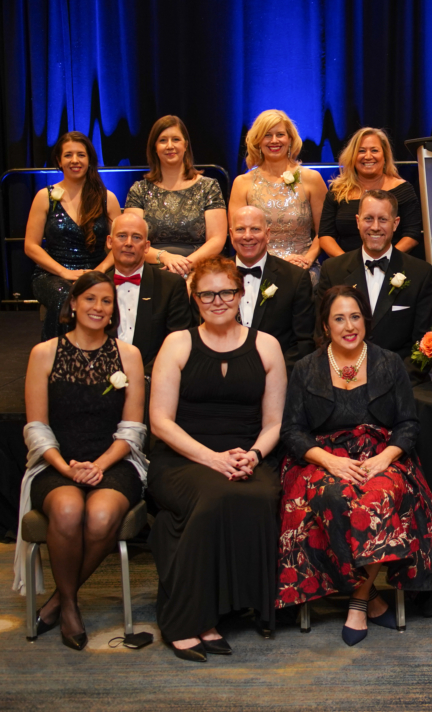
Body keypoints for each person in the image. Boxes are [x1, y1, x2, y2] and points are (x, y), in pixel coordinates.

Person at [277, 285, 432, 645]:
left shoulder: (388, 362)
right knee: (333, 497)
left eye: (355, 317)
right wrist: (330, 462)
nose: (349, 326)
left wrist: (385, 457)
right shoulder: (306, 368)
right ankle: (372, 597)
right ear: (325, 325)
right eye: (339, 318)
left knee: (377, 498)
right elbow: (291, 430)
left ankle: (358, 600)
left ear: (365, 321)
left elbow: (408, 424)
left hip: (382, 455)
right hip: (323, 458)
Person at [148, 257, 287, 662]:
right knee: (212, 499)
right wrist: (212, 459)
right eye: (207, 293)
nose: (218, 300)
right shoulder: (177, 343)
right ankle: (189, 620)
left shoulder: (266, 345)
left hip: (246, 455)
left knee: (263, 497)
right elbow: (159, 422)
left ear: (241, 294)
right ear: (195, 298)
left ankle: (232, 607)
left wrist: (255, 455)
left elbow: (275, 421)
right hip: (182, 458)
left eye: (226, 291)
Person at [14, 272, 147, 651]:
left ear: (113, 310)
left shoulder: (129, 356)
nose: (98, 307)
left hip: (115, 461)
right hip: (55, 463)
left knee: (103, 515)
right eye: (90, 299)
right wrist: (66, 467)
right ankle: (70, 605)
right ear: (73, 303)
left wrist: (101, 465)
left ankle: (59, 601)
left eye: (106, 301)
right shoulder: (44, 353)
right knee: (69, 509)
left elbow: (133, 429)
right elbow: (36, 428)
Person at [316, 189, 432, 374]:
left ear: (395, 223)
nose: (375, 227)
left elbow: (424, 342)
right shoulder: (333, 270)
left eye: (383, 219)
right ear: (357, 221)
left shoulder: (420, 273)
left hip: (400, 383)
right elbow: (320, 333)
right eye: (368, 219)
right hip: (342, 381)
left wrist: (394, 381)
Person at [24, 132, 121, 340]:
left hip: (96, 270)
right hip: (51, 274)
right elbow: (30, 246)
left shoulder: (107, 198)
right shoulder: (45, 197)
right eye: (68, 155)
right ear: (59, 160)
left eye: (81, 155)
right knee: (66, 297)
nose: (75, 160)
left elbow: (119, 245)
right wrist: (63, 272)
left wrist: (100, 270)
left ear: (89, 160)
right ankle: (58, 362)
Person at [229, 109, 327, 282]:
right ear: (258, 141)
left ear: (290, 139)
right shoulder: (242, 183)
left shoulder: (312, 179)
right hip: (258, 265)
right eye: (267, 135)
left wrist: (308, 259)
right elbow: (238, 235)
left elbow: (325, 231)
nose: (274, 141)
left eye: (280, 134)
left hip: (303, 267)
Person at [125, 115, 227, 278]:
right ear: (155, 147)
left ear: (185, 145)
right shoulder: (139, 190)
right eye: (163, 140)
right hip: (153, 269)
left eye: (176, 139)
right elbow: (131, 241)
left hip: (198, 270)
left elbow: (217, 240)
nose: (170, 146)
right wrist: (164, 257)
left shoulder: (209, 187)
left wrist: (184, 266)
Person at [230, 205, 315, 370]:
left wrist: (276, 377)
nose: (247, 236)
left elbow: (303, 342)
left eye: (255, 229)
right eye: (241, 229)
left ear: (268, 234)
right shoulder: (214, 277)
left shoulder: (295, 278)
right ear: (232, 234)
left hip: (277, 377)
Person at [106, 213, 193, 371]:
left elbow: (178, 344)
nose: (128, 243)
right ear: (110, 242)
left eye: (136, 237)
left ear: (146, 247)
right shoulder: (96, 287)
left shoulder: (171, 286)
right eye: (122, 236)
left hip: (154, 379)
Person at [318, 127, 422, 259]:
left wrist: (385, 260)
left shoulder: (403, 189)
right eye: (361, 151)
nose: (368, 156)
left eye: (374, 150)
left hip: (393, 267)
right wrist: (348, 264)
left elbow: (412, 234)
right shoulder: (337, 191)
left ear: (384, 155)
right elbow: (325, 235)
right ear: (353, 156)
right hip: (346, 268)